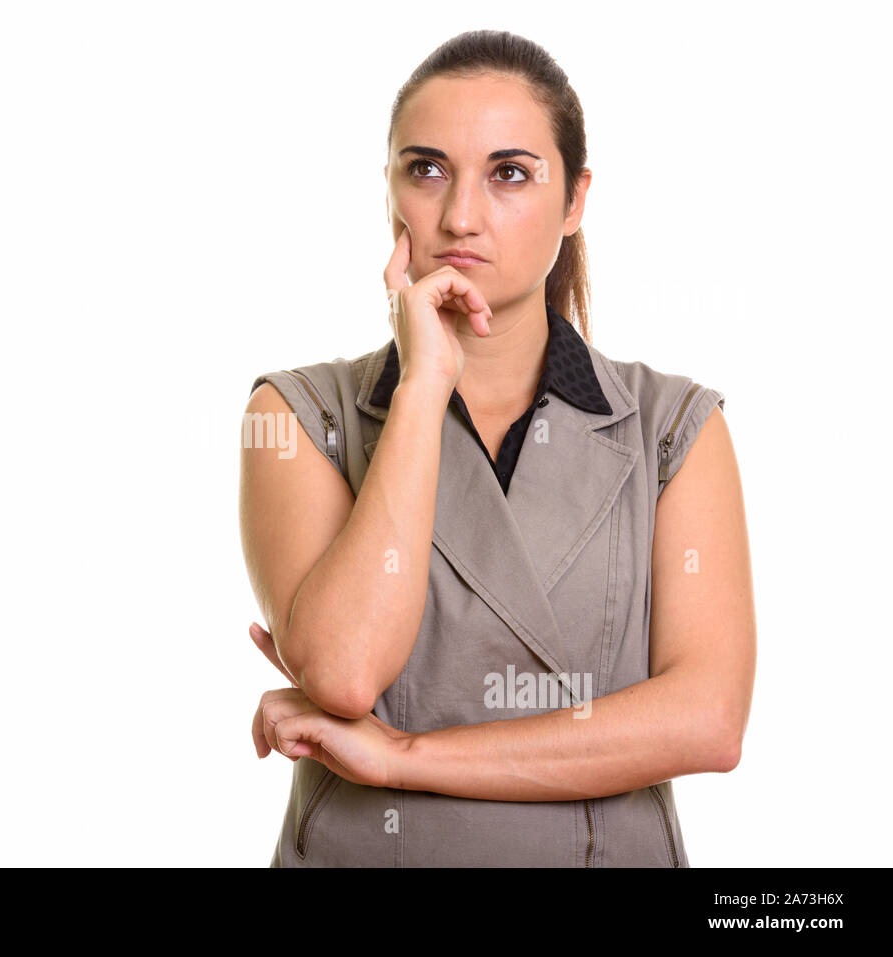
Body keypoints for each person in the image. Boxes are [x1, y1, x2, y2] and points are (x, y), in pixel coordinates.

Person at [238, 29, 756, 867]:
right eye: (427, 169)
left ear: (576, 199)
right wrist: (419, 388)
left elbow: (708, 719)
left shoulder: (672, 425)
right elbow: (342, 672)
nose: (459, 216)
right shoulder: (301, 414)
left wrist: (406, 756)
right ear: (390, 191)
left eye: (509, 173)